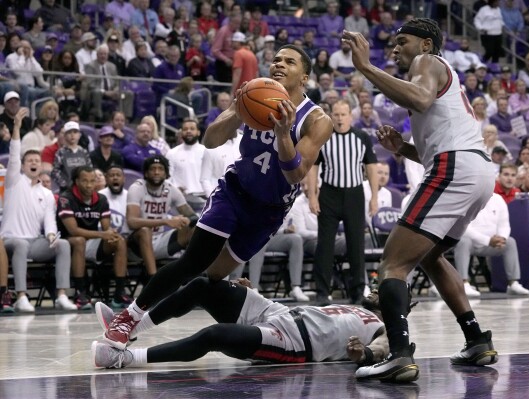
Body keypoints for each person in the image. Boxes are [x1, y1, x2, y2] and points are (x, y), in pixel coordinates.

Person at [103, 44, 333, 351]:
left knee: (210, 279)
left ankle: (135, 326)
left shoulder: (317, 120)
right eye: (276, 59)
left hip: (268, 211)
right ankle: (128, 318)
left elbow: (295, 174)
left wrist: (282, 133)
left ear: (304, 77)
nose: (279, 64)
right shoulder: (254, 93)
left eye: (289, 62)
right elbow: (210, 140)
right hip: (234, 190)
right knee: (193, 261)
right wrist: (237, 112)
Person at [341, 18, 498, 383]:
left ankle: (398, 354)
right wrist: (403, 148)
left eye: (403, 42)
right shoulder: (436, 75)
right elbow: (439, 145)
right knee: (430, 256)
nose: (395, 49)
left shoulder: (426, 64)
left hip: (456, 168)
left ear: (426, 45)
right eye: (393, 44)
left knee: (393, 264)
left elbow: (420, 98)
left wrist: (365, 67)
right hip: (476, 172)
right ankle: (476, 340)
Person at [92, 277, 387, 368]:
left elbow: (384, 349)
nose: (376, 289)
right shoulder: (351, 304)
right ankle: (130, 328)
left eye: (383, 290)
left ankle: (125, 359)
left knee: (214, 335)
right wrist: (249, 292)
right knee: (204, 286)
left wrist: (366, 354)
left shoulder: (384, 328)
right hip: (280, 312)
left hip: (295, 343)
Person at [1, 108, 77, 312]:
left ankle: (61, 294)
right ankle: (21, 296)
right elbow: (15, 154)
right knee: (20, 245)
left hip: (34, 241)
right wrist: (16, 127)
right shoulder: (14, 182)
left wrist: (51, 234)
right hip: (10, 239)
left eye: (37, 161)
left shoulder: (46, 193)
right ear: (23, 166)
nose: (34, 163)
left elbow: (49, 219)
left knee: (62, 244)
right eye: (30, 161)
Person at [308, 99, 378, 306]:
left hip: (354, 194)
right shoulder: (324, 137)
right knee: (325, 245)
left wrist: (374, 196)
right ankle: (322, 292)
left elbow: (372, 166)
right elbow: (313, 166)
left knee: (356, 244)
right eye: (336, 114)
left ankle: (357, 292)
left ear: (350, 116)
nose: (339, 118)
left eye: (343, 114)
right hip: (329, 194)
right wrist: (312, 195)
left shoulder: (362, 137)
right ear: (332, 116)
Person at [57, 166, 130, 310]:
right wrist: (103, 234)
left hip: (91, 242)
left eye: (92, 181)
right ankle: (80, 292)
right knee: (79, 240)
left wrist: (111, 233)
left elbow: (105, 227)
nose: (89, 185)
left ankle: (119, 292)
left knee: (119, 241)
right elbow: (73, 230)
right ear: (77, 181)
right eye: (85, 181)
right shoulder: (66, 198)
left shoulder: (101, 199)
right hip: (67, 243)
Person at [126, 155, 198, 279]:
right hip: (135, 246)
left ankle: (193, 276)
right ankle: (152, 281)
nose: (156, 172)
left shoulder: (171, 189)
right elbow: (131, 222)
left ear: (166, 174)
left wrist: (187, 220)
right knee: (145, 231)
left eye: (160, 169)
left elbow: (192, 216)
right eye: (152, 169)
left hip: (160, 241)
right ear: (146, 173)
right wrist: (166, 221)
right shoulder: (136, 188)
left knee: (195, 230)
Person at [452, 193, 529, 297]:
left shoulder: (498, 199)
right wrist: (487, 240)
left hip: (492, 244)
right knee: (463, 240)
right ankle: (463, 283)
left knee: (510, 242)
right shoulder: (466, 197)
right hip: (472, 243)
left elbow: (504, 225)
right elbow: (464, 228)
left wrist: (502, 238)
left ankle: (513, 284)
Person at [166, 119, 207, 210]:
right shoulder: (172, 153)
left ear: (198, 132)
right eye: (185, 129)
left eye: (192, 129)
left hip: (203, 200)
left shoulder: (206, 151)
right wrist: (175, 189)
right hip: (180, 201)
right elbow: (167, 178)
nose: (188, 131)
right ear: (181, 133)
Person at [51, 121, 92, 192]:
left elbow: (90, 169)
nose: (72, 135)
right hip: (67, 191)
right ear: (65, 135)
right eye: (69, 132)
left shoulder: (84, 152)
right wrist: (64, 184)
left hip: (84, 189)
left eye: (75, 132)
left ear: (79, 135)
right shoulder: (61, 152)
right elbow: (55, 171)